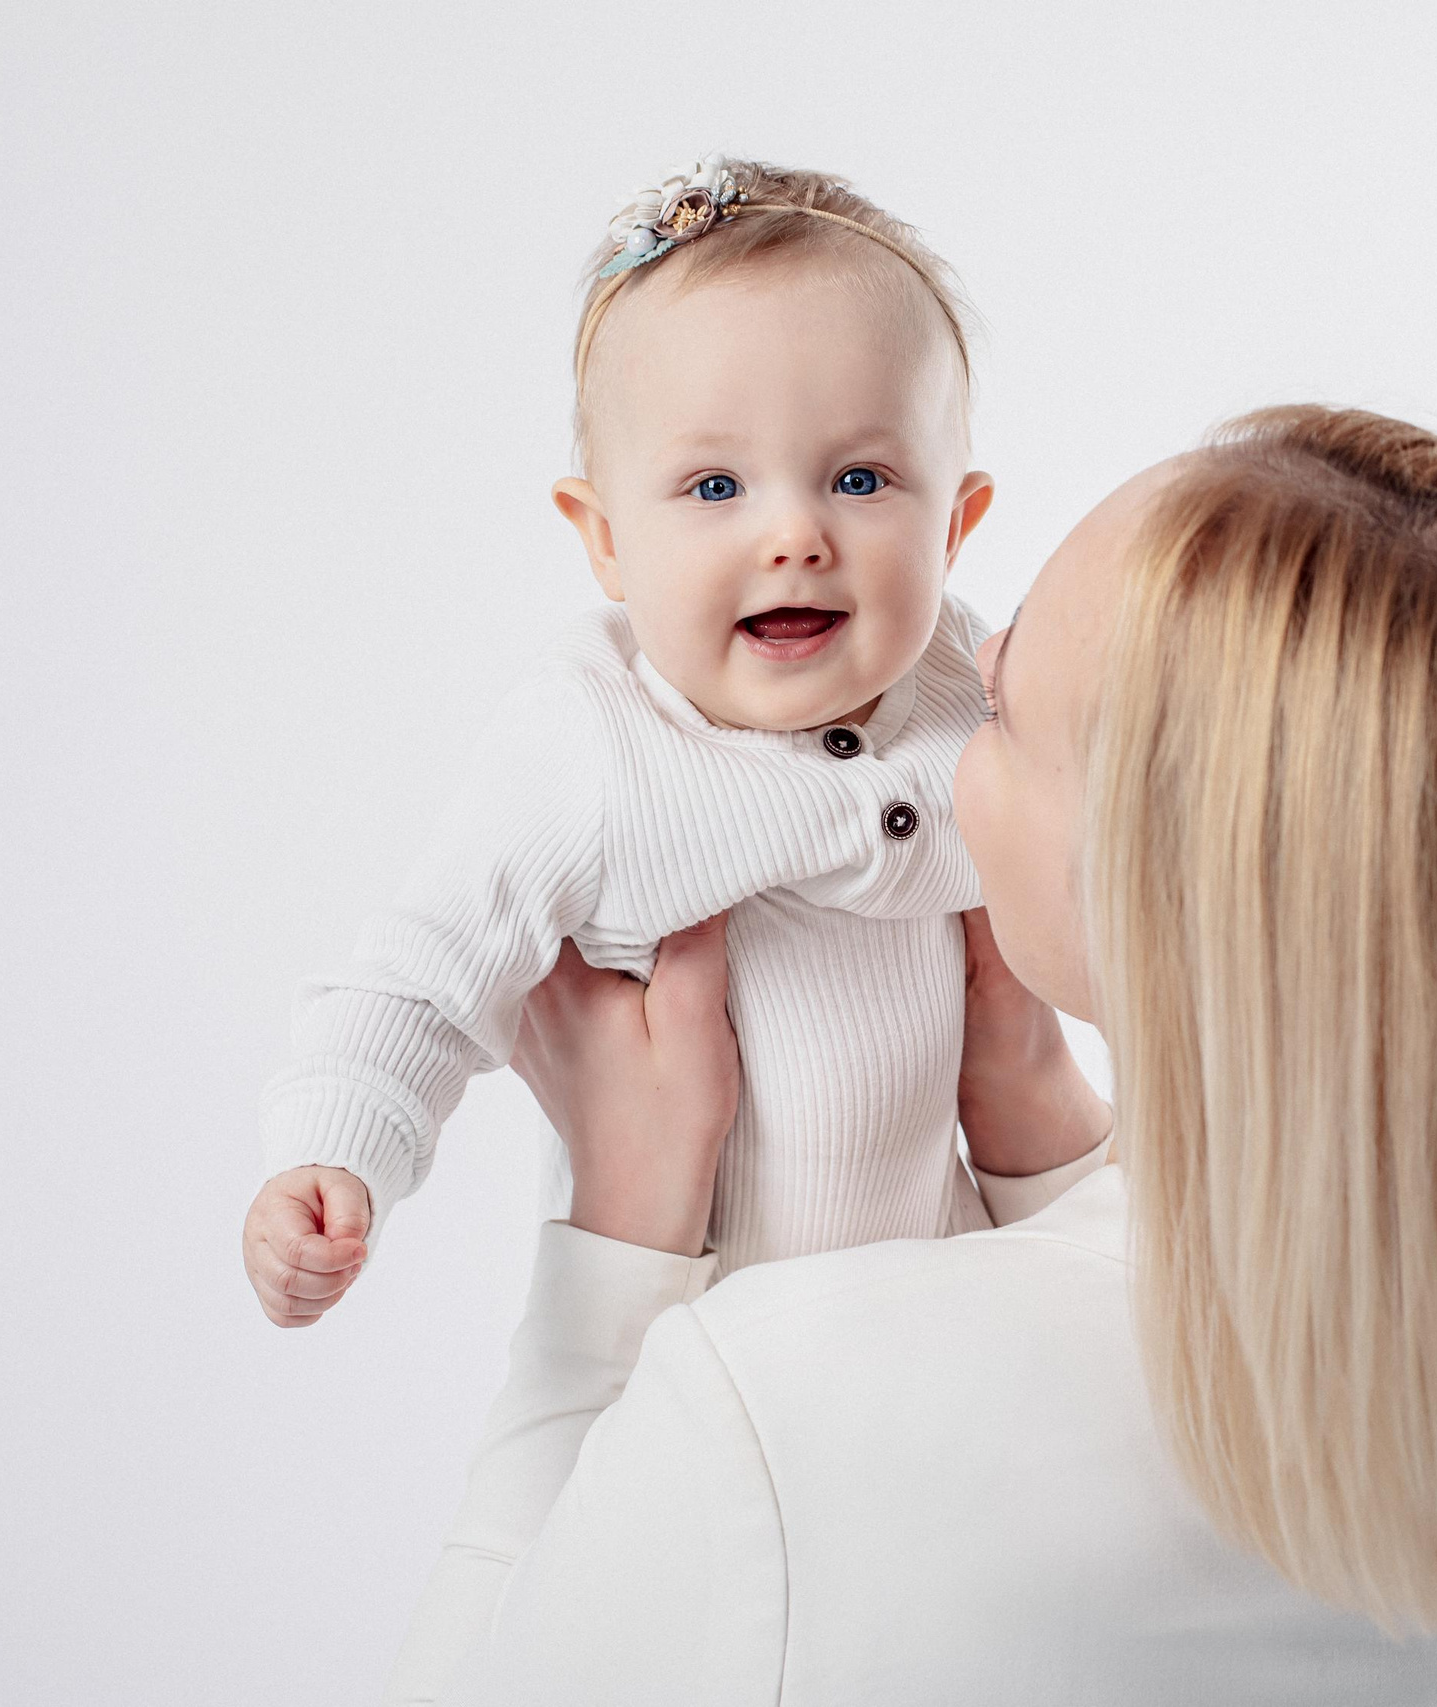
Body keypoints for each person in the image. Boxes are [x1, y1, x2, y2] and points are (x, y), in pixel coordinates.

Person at [398, 407, 1437, 1703]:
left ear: (1164, 894)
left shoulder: (779, 1410)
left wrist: (614, 1250)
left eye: (996, 706)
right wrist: (1069, 1151)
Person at [239, 154, 1010, 1329]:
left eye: (860, 477)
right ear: (603, 539)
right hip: (682, 1339)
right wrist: (331, 1157)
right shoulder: (592, 739)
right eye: (714, 487)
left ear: (954, 525)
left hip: (946, 1305)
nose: (794, 533)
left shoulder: (975, 677)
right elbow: (422, 978)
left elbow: (1131, 838)